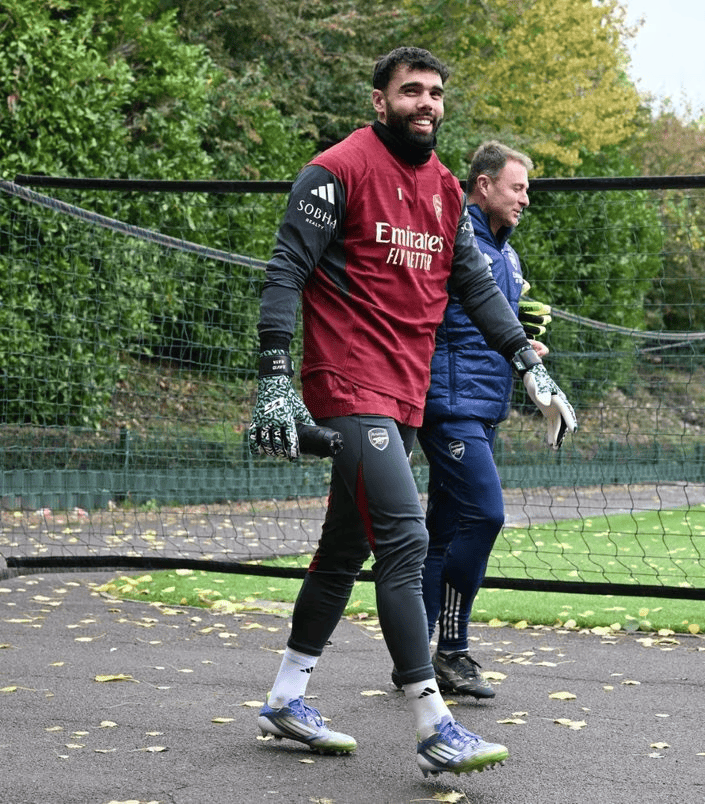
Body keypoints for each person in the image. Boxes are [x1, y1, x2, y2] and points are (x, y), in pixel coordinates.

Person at [246, 47, 576, 777]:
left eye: (434, 93)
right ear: (379, 101)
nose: (425, 102)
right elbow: (283, 275)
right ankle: (433, 723)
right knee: (403, 540)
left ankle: (284, 698)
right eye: (410, 91)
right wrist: (274, 381)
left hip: (402, 392)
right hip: (346, 382)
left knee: (343, 550)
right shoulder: (335, 171)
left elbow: (476, 285)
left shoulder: (445, 189)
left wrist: (526, 360)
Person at [417, 141, 555, 699]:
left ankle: (415, 658)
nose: (525, 198)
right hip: (449, 403)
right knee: (487, 513)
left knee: (442, 533)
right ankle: (450, 649)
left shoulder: (508, 254)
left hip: (485, 403)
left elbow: (490, 324)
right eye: (518, 187)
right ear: (484, 185)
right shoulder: (460, 235)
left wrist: (525, 348)